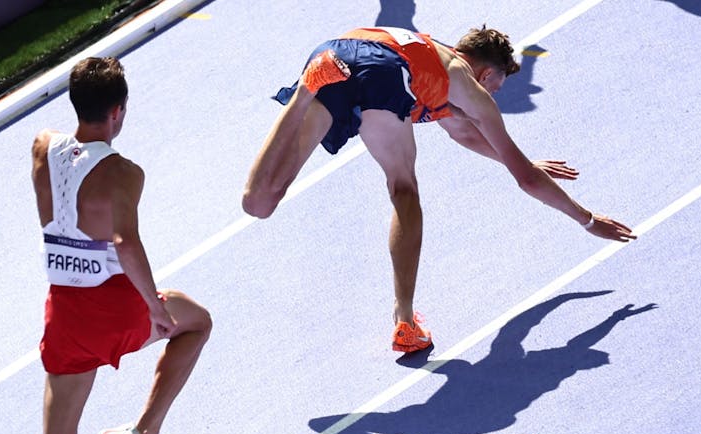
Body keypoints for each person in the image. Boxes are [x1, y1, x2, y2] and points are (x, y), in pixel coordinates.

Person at [240, 25, 636, 353]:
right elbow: (525, 179)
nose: (495, 94)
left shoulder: (431, 61)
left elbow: (465, 135)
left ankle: (304, 92)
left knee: (259, 203)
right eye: (497, 84)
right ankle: (405, 321)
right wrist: (586, 220)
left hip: (335, 56)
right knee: (403, 189)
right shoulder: (464, 82)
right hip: (382, 70)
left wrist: (524, 161)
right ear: (485, 74)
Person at [5, 56, 214, 434]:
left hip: (66, 322)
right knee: (194, 323)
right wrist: (157, 310)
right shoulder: (126, 173)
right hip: (117, 311)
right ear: (119, 111)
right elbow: (127, 244)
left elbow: (52, 170)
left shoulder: (43, 147)